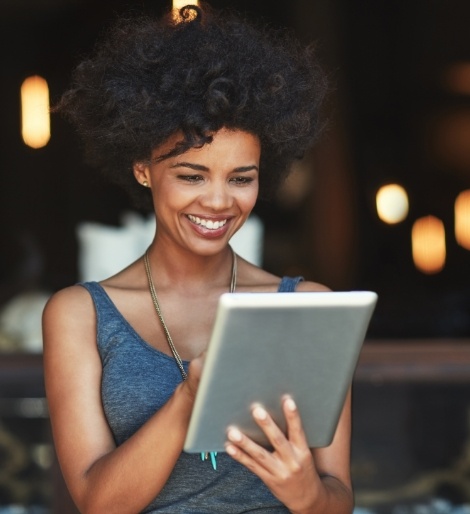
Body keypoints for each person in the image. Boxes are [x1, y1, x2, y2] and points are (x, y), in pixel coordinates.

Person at [42, 3, 353, 513]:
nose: (217, 202)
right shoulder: (81, 315)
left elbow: (338, 499)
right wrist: (190, 398)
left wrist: (308, 495)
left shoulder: (304, 306)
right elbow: (98, 503)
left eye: (241, 178)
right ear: (143, 167)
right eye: (192, 175)